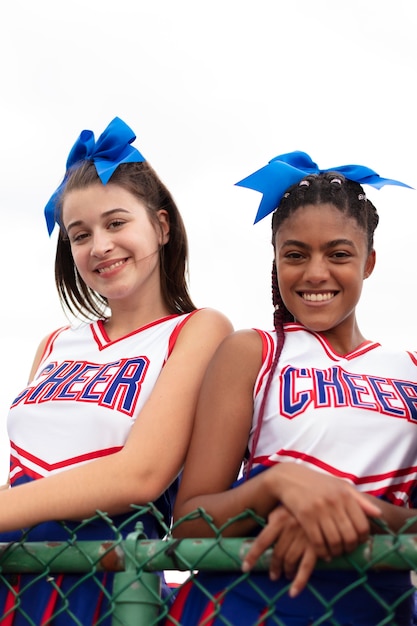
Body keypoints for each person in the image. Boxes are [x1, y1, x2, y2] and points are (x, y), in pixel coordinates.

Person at [166, 151, 417, 625]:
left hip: (374, 610)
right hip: (240, 607)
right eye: (295, 254)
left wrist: (343, 513)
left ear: (369, 262)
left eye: (339, 254)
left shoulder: (409, 370)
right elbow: (189, 524)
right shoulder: (252, 352)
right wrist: (275, 487)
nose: (315, 273)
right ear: (277, 259)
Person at [0, 117, 233, 624]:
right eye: (80, 234)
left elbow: (141, 475)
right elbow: (23, 475)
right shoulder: (56, 343)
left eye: (116, 223)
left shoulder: (199, 330)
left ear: (162, 226)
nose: (99, 245)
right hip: (12, 573)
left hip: (107, 581)